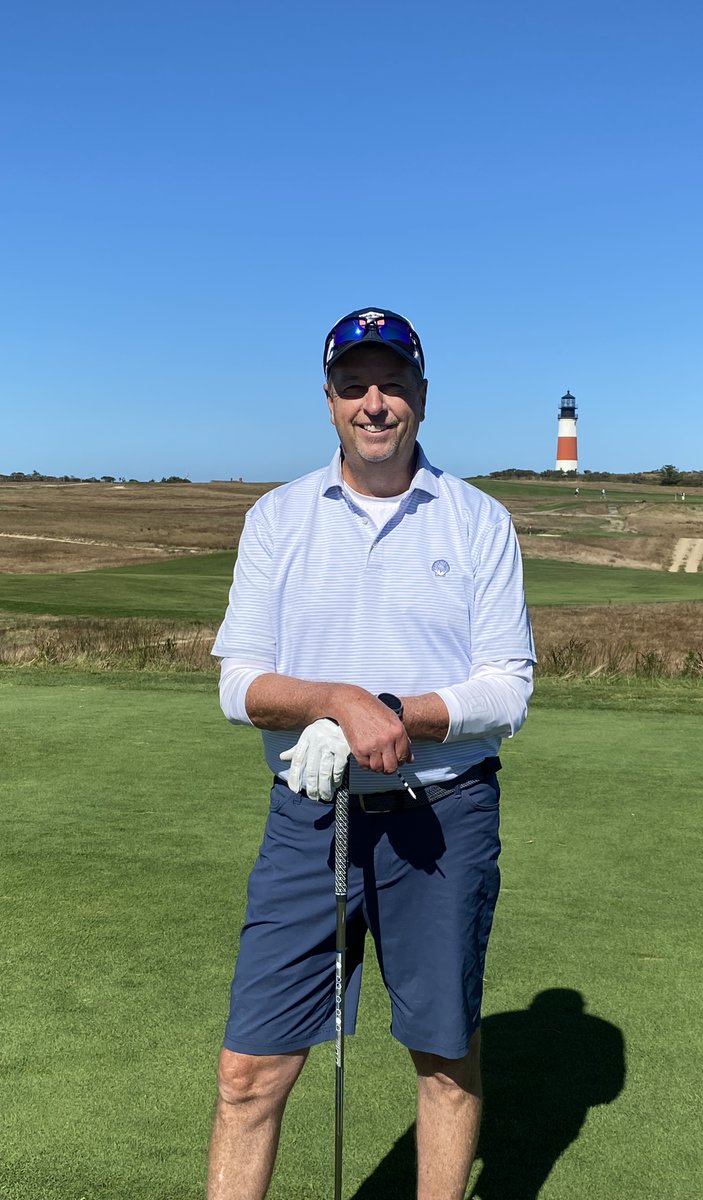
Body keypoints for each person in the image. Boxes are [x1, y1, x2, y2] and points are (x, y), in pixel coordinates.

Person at [208, 307, 535, 1200]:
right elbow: (239, 684)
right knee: (248, 1072)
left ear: (422, 396)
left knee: (444, 1060)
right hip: (310, 816)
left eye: (392, 384)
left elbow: (506, 687)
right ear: (329, 402)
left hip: (444, 815)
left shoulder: (478, 521)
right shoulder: (278, 517)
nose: (375, 403)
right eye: (354, 386)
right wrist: (337, 702)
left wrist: (394, 713)